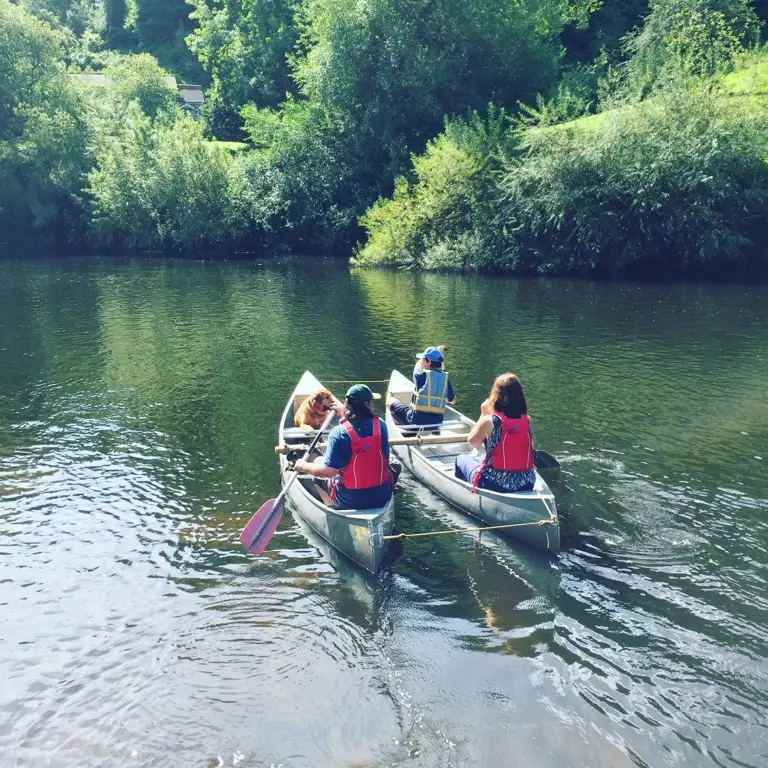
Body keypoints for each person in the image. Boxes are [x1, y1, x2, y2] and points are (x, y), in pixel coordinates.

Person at [293, 384, 393, 510]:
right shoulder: (381, 426)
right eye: (372, 402)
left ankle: (332, 508)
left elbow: (328, 473)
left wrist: (303, 465)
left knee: (317, 464)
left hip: (350, 501)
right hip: (381, 496)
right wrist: (345, 415)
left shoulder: (338, 432)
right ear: (367, 404)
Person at [455, 373, 536, 493]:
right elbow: (531, 443)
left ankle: (465, 495)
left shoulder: (489, 421)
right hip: (527, 482)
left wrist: (483, 414)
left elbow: (473, 443)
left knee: (460, 459)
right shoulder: (527, 420)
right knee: (483, 457)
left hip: (495, 483)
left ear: (496, 395)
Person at [388, 346, 456, 427]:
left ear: (429, 362)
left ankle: (403, 428)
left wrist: (437, 352)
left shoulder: (420, 375)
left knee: (390, 400)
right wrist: (439, 355)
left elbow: (417, 366)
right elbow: (453, 401)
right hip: (436, 424)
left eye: (423, 359)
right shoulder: (445, 380)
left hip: (415, 421)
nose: (421, 361)